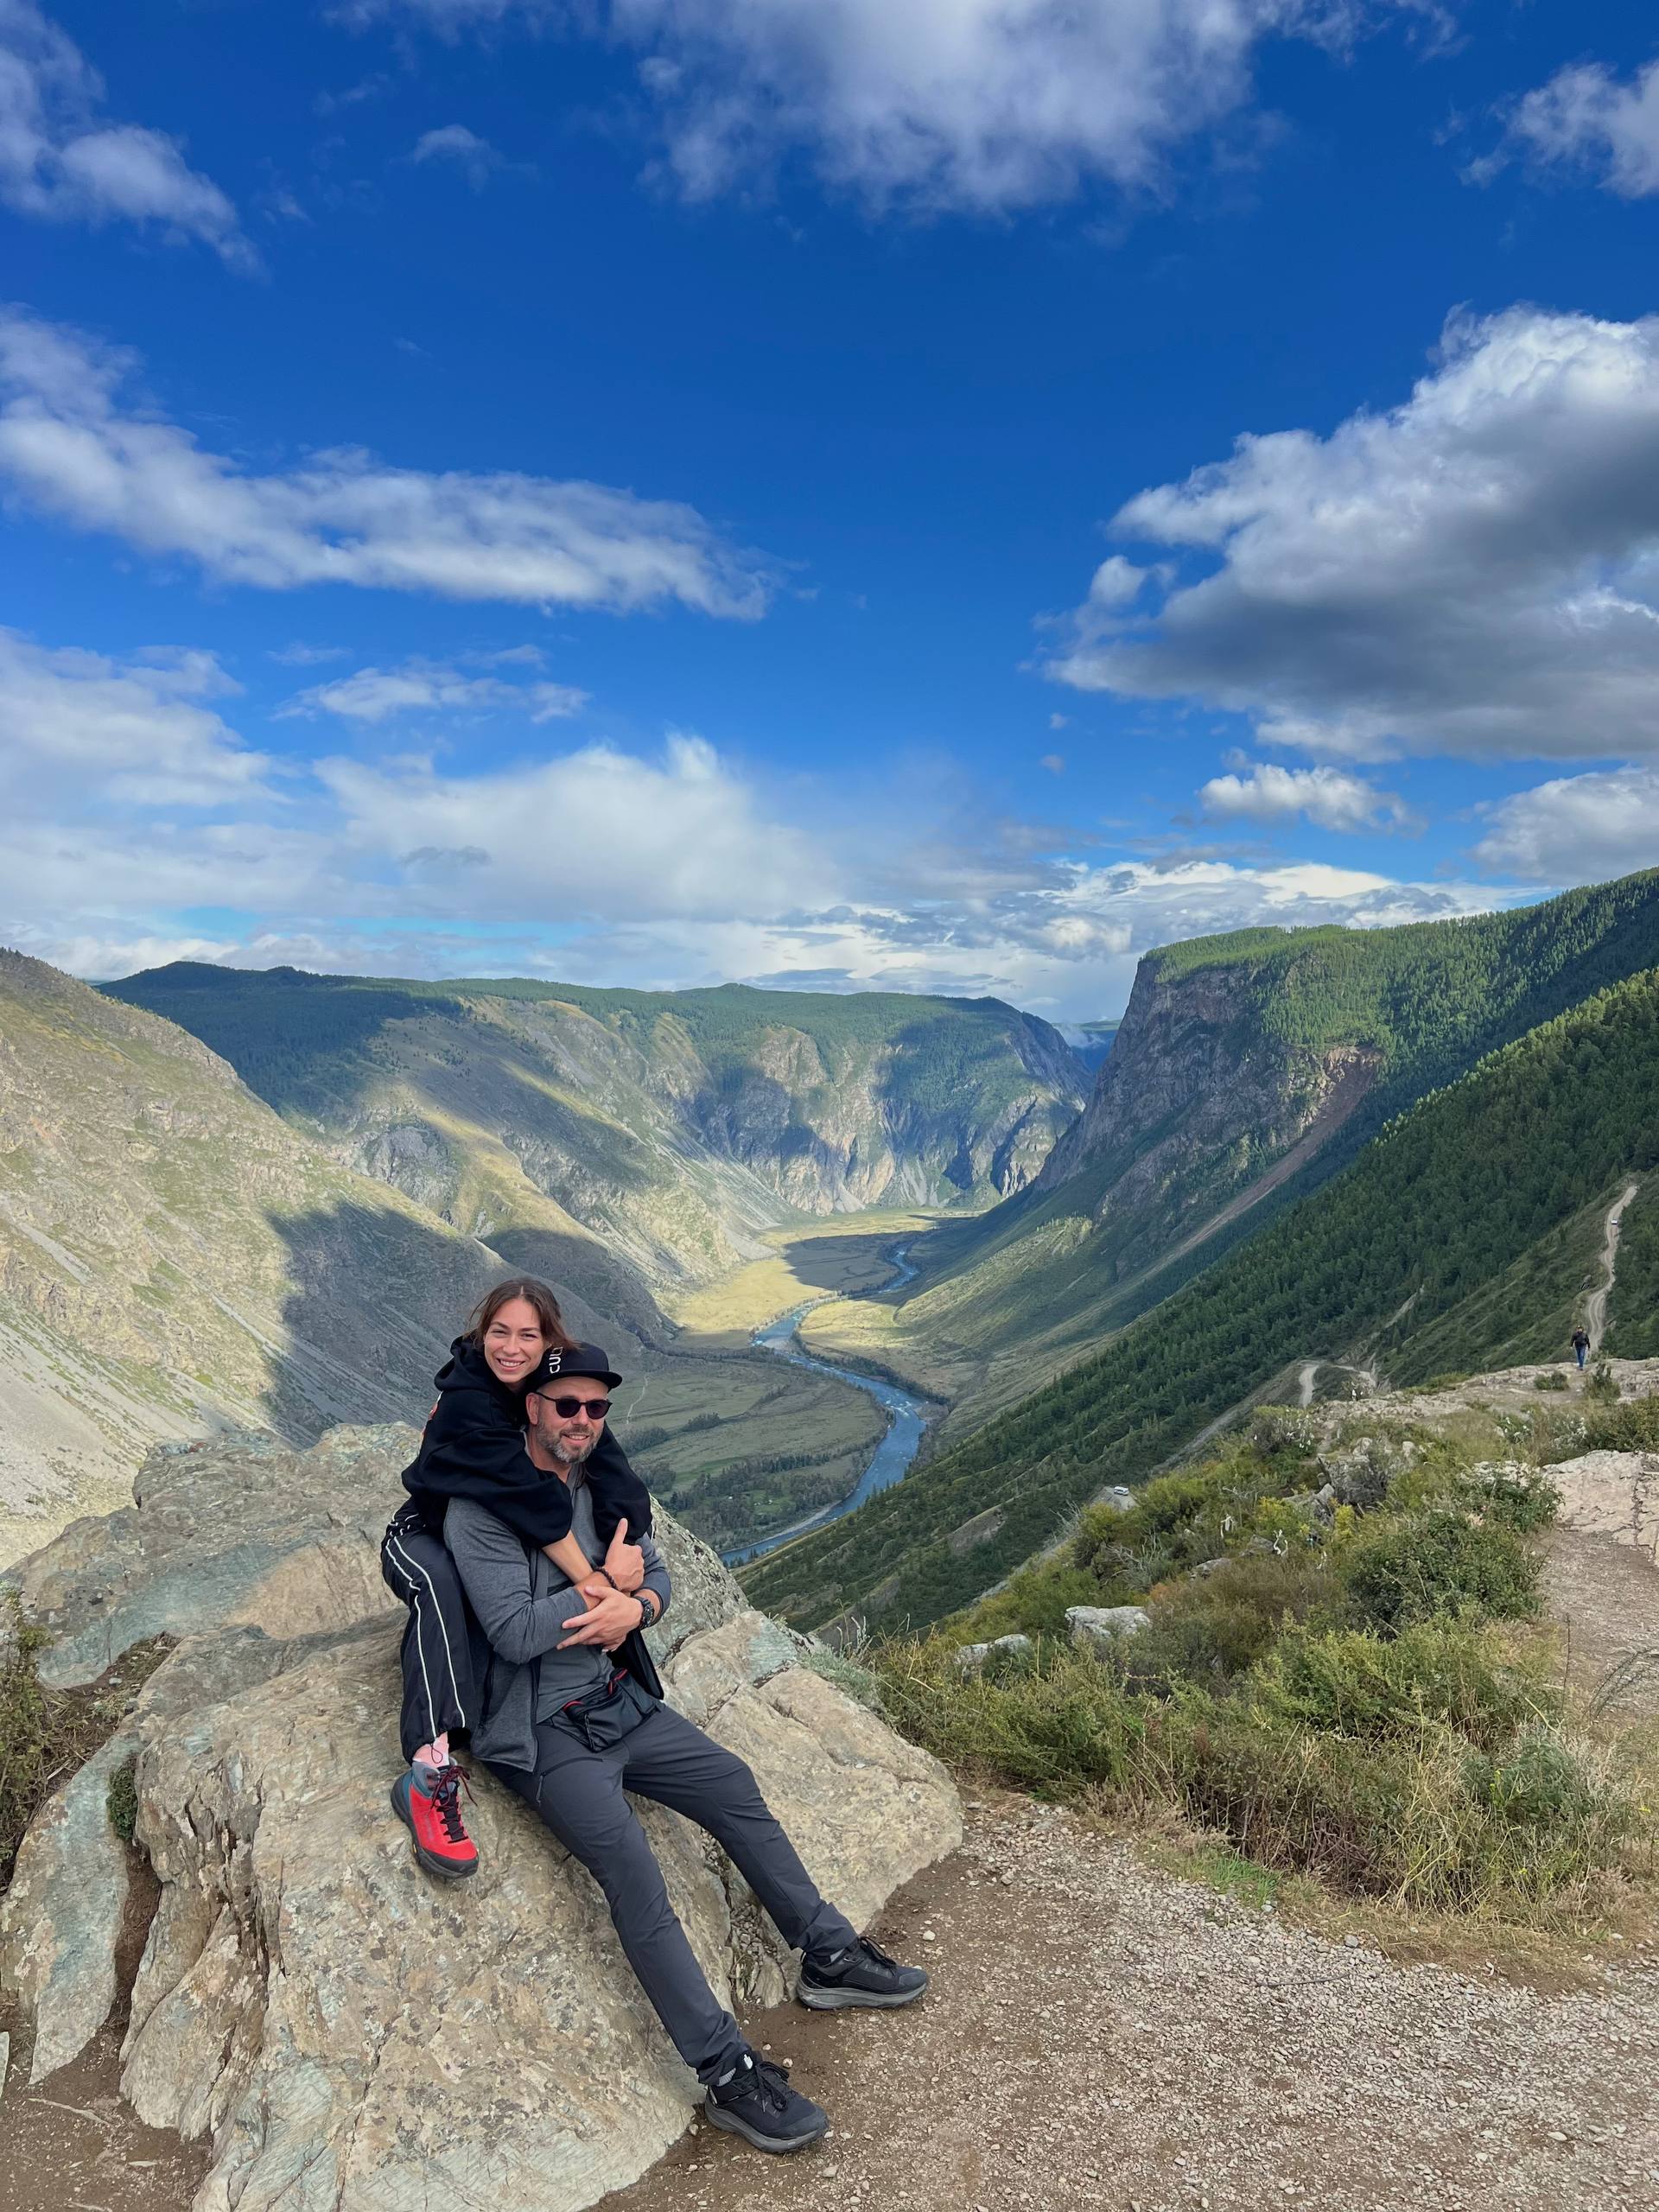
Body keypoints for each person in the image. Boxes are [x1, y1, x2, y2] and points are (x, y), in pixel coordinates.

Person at [445, 1341, 929, 2155]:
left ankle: (827, 1954)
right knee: (634, 1874)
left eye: (598, 1409)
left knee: (733, 1786)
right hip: (541, 1732)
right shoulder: (481, 1508)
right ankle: (728, 2072)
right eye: (568, 1406)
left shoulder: (605, 1489)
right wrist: (607, 1591)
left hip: (617, 1703)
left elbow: (659, 1577)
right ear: (531, 1406)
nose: (584, 1422)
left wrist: (642, 1607)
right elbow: (510, 1631)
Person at [381, 1276, 654, 1879]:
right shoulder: (469, 1402)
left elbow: (612, 1469)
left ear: (547, 1340)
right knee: (442, 1588)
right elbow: (535, 1508)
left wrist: (630, 1535)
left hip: (477, 1533)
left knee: (483, 1613)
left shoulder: (550, 1394)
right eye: (499, 1332)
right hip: (422, 1533)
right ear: (483, 1335)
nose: (511, 1347)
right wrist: (603, 1585)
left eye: (528, 1335)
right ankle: (428, 1770)